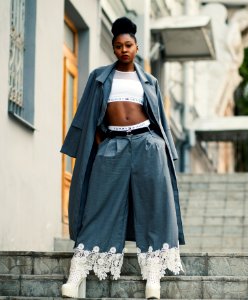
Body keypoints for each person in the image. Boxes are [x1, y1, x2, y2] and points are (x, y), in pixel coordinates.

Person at [60, 17, 185, 299]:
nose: (123, 50)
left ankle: (153, 278)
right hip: (112, 144)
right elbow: (88, 116)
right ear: (113, 48)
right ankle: (76, 275)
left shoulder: (149, 81)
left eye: (128, 45)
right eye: (118, 46)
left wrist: (158, 145)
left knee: (154, 206)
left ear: (137, 47)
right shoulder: (100, 77)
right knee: (98, 206)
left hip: (146, 144)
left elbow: (159, 119)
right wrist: (101, 143)